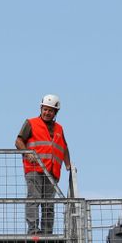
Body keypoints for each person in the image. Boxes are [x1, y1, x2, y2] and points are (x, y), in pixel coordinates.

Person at [15, 94, 72, 235]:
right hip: (34, 168)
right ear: (41, 109)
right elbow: (18, 141)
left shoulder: (59, 128)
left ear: (55, 112)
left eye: (50, 110)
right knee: (34, 199)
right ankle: (34, 230)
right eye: (45, 109)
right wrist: (27, 153)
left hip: (52, 172)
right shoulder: (31, 123)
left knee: (48, 204)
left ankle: (47, 232)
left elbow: (64, 147)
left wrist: (68, 165)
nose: (47, 113)